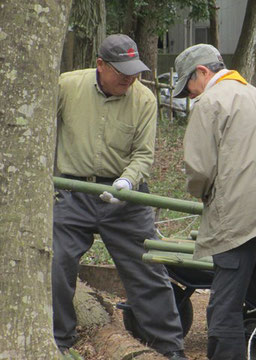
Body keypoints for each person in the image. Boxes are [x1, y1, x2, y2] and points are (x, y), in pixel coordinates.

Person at [53, 34, 188, 360]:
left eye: (135, 71)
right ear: (100, 65)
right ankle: (60, 339)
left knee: (147, 271)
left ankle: (169, 348)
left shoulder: (144, 99)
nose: (130, 78)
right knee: (56, 261)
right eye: (122, 71)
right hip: (73, 191)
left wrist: (126, 181)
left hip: (125, 198)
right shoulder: (66, 87)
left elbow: (143, 154)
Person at [172, 43, 256, 360]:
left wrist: (200, 192)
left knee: (224, 305)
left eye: (187, 86)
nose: (189, 95)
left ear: (201, 72)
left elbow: (200, 170)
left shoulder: (210, 102)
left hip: (237, 215)